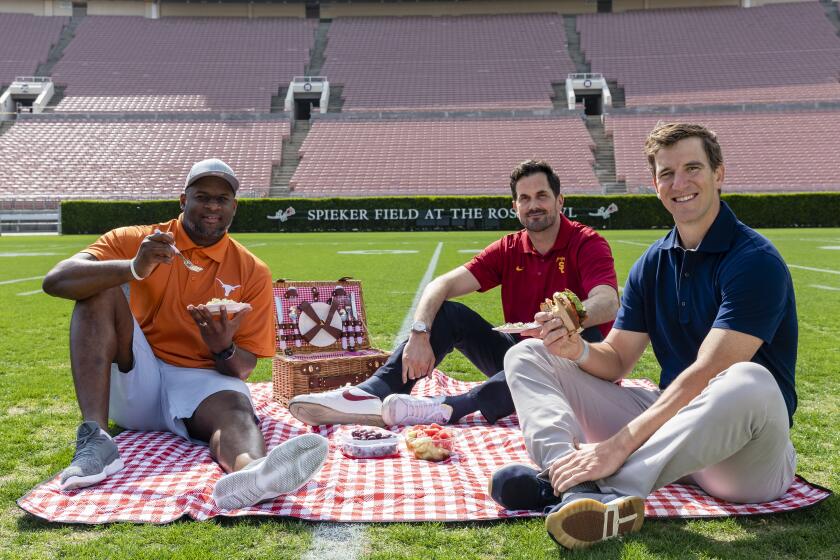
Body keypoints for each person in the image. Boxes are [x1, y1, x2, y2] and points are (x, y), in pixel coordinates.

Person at [491, 123, 798, 549]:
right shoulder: (653, 263)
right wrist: (575, 349)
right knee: (527, 354)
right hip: (669, 432)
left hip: (743, 457)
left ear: (719, 174)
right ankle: (566, 479)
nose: (680, 183)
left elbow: (710, 371)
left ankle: (609, 486)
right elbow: (617, 360)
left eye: (693, 168)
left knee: (749, 380)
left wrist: (618, 446)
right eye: (666, 173)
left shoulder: (755, 260)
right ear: (655, 185)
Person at [42, 158, 328, 510]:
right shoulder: (137, 241)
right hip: (136, 377)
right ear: (183, 200)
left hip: (201, 381)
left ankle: (252, 474)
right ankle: (97, 439)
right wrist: (134, 268)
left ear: (233, 207)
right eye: (202, 196)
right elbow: (56, 280)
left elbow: (243, 370)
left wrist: (222, 348)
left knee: (236, 409)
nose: (212, 206)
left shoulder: (252, 270)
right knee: (99, 286)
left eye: (222, 199)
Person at [288, 160, 620, 427]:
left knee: (545, 347)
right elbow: (440, 285)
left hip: (578, 367)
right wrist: (419, 333)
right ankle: (370, 395)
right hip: (519, 358)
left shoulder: (586, 242)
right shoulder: (510, 247)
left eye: (542, 195)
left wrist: (564, 321)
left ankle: (449, 407)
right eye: (525, 198)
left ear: (560, 200)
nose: (534, 205)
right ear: (515, 206)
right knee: (449, 314)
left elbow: (607, 301)